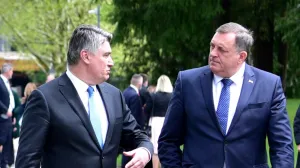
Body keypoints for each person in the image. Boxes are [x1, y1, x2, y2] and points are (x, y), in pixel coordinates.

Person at [158, 22, 293, 168]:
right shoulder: (188, 82)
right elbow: (168, 141)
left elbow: (282, 146)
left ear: (241, 56)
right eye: (212, 46)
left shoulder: (269, 85)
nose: (213, 53)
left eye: (221, 49)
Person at [16, 24, 153, 168]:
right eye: (106, 55)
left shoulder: (114, 95)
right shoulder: (44, 98)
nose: (111, 62)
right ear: (86, 56)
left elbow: (137, 136)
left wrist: (144, 151)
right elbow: (27, 161)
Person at [146, 75, 173, 168]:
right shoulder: (172, 96)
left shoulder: (153, 96)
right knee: (167, 146)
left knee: (156, 148)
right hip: (168, 122)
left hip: (156, 122)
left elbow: (147, 111)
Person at [121, 74, 145, 167]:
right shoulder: (134, 95)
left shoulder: (125, 92)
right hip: (132, 130)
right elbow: (135, 115)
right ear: (140, 83)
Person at [0, 63, 15, 168]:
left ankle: (4, 163)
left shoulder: (6, 82)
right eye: (12, 71)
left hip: (8, 117)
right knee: (2, 140)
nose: (12, 73)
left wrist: (12, 115)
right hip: (2, 117)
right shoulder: (0, 82)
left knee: (8, 142)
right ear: (8, 71)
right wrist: (5, 111)